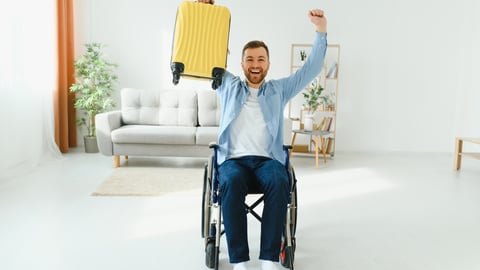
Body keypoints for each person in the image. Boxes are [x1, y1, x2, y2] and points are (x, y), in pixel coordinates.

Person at [197, 1, 328, 269]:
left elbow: (311, 70)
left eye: (260, 59)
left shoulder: (278, 90)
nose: (255, 65)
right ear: (241, 63)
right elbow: (209, 55)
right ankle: (240, 261)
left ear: (268, 64)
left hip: (267, 161)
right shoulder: (228, 84)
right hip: (234, 161)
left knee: (280, 181)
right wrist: (204, 14)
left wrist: (321, 30)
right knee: (230, 183)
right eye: (249, 59)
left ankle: (269, 257)